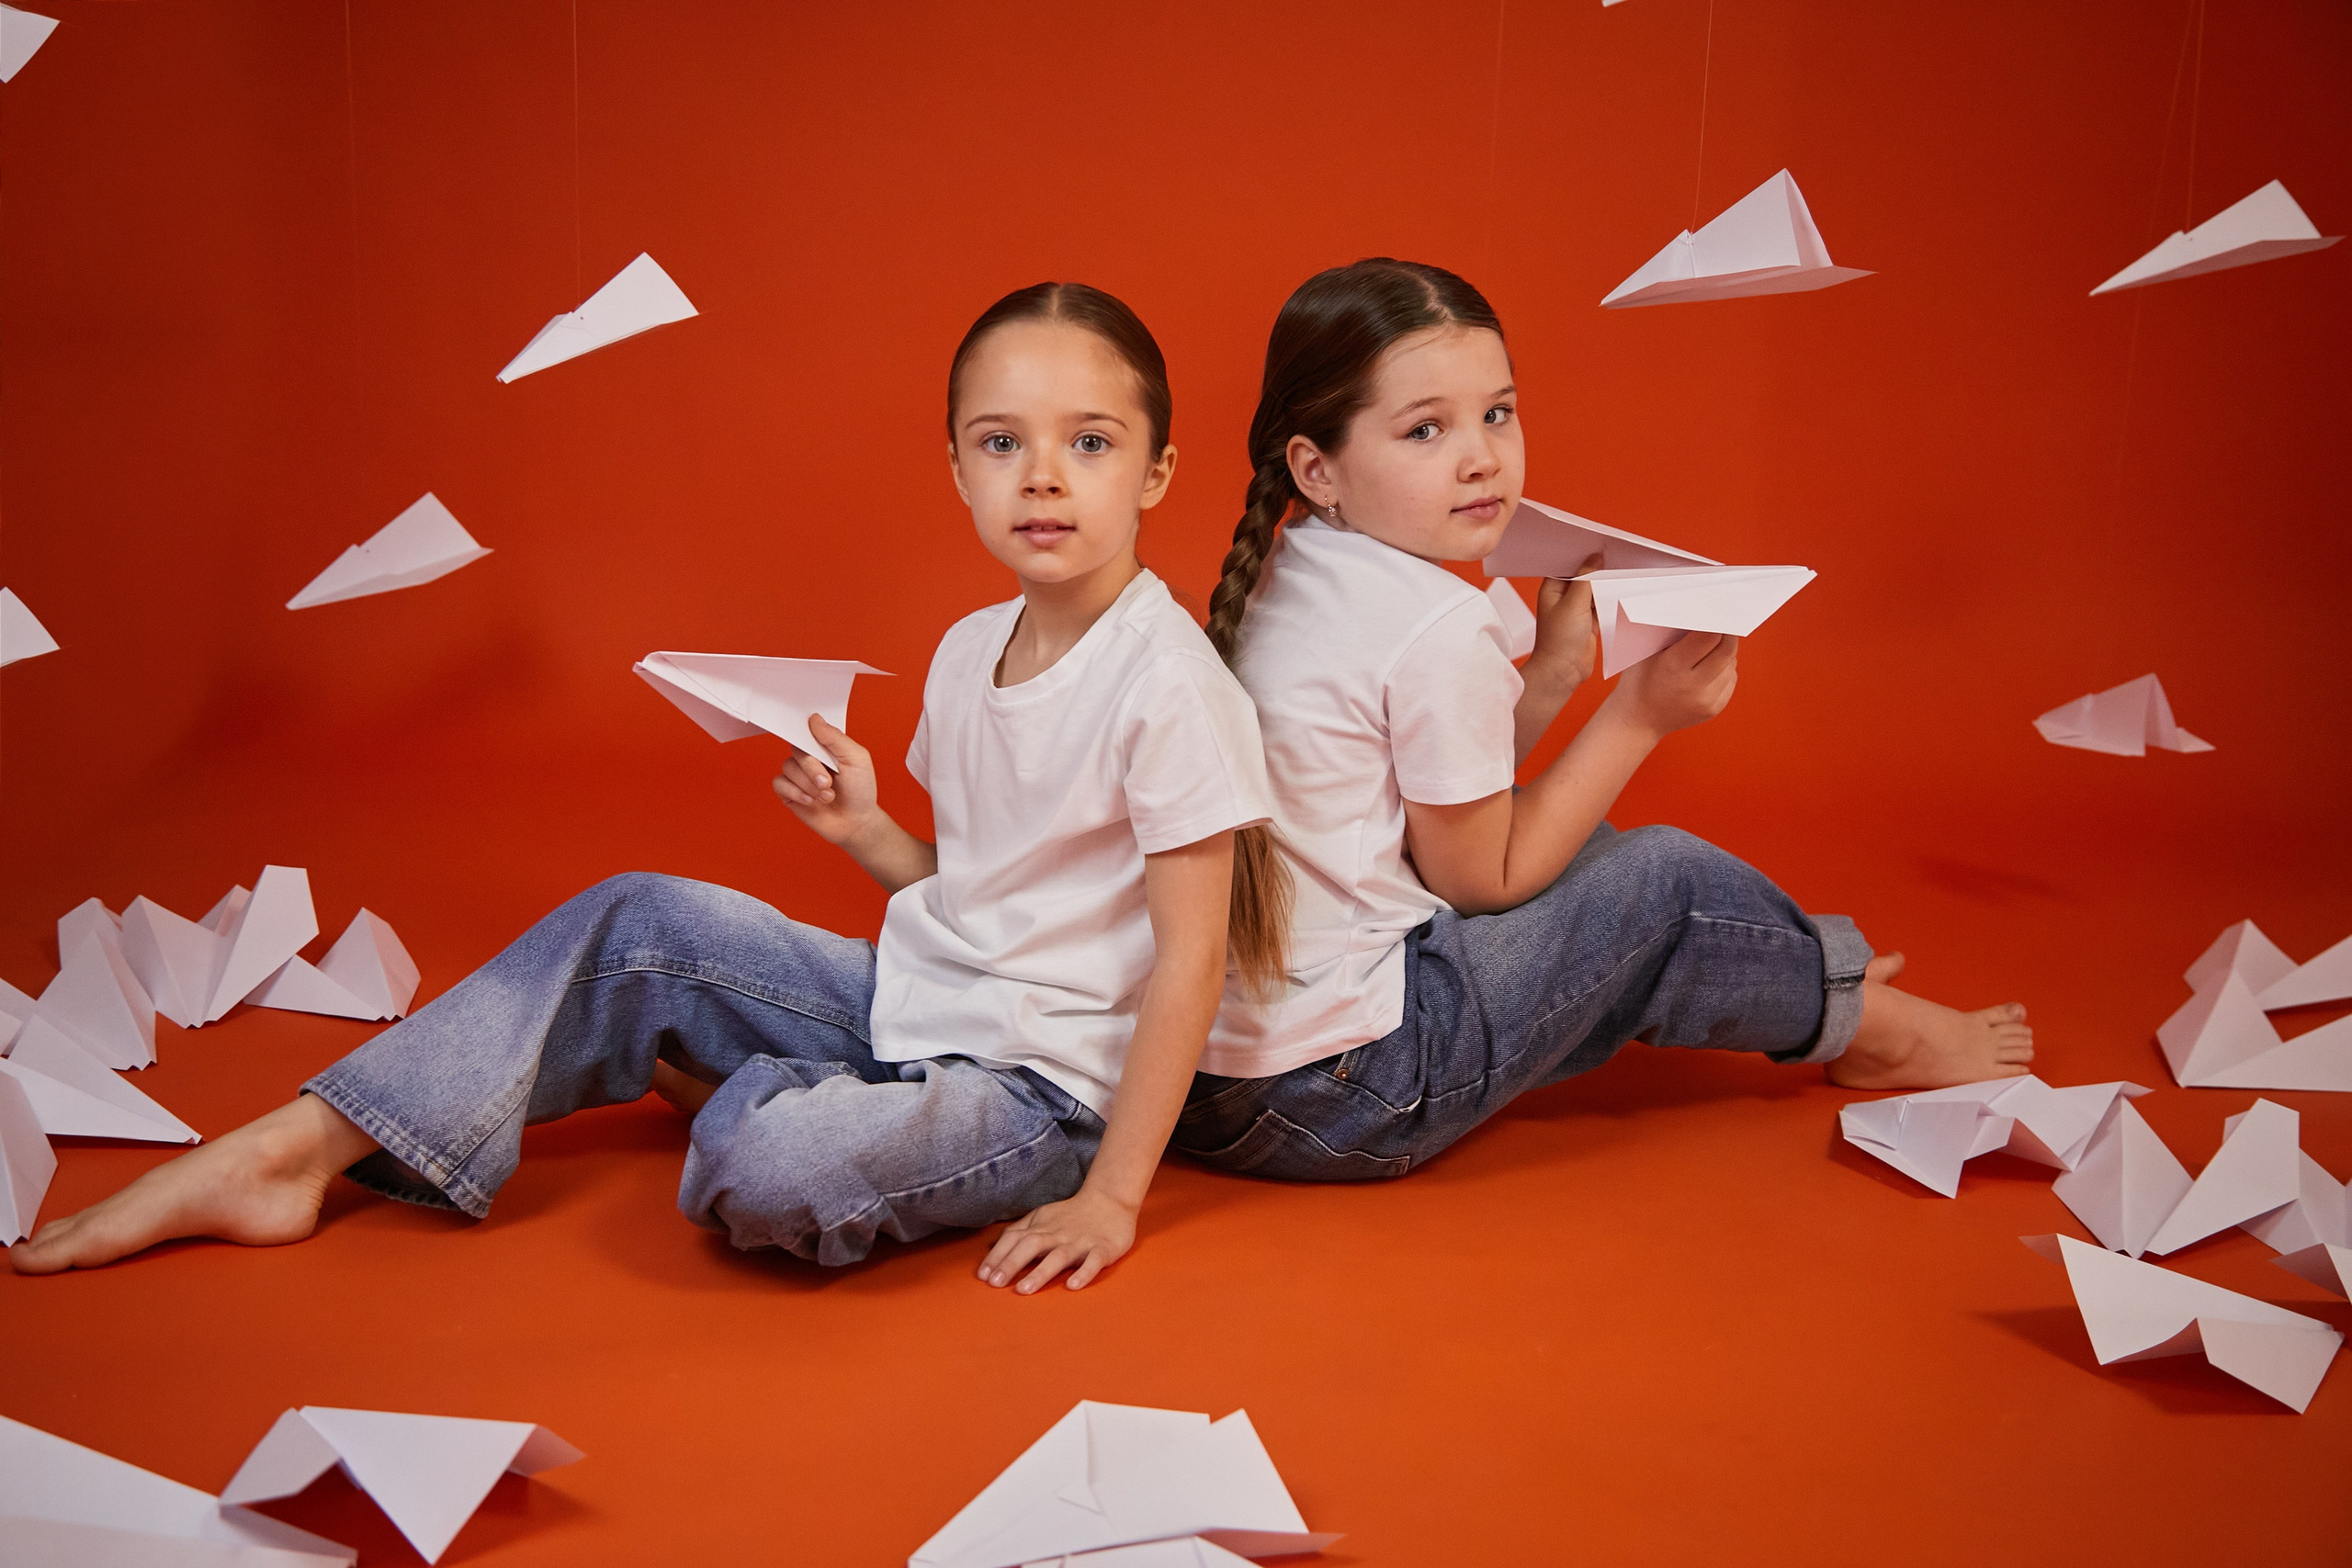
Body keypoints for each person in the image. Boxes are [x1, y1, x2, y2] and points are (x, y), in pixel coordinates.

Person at [12, 282, 1277, 1293]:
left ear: (1156, 474)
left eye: (1089, 443)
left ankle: (737, 1086)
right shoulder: (962, 649)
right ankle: (299, 1145)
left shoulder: (1170, 684)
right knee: (635, 916)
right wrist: (870, 830)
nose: (1043, 476)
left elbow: (1187, 964)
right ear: (955, 469)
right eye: (1003, 442)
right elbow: (1003, 904)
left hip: (1044, 1085)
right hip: (919, 995)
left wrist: (1112, 1191)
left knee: (773, 1165)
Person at [1173, 258, 2031, 1182]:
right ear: (1318, 465)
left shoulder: (1290, 565)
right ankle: (1870, 1027)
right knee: (1656, 879)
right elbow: (1479, 879)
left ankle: (1827, 995)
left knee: (1589, 853)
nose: (1480, 457)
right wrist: (1637, 713)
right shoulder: (1433, 623)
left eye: (1497, 412)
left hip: (1208, 1089)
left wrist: (1550, 675)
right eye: (1425, 429)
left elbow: (1422, 808)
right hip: (1350, 1093)